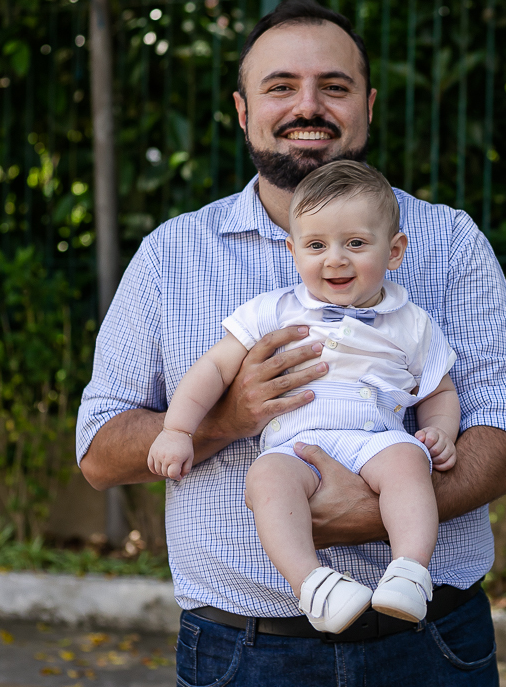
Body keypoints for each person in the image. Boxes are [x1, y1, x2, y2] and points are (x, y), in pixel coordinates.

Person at [77, 0, 506, 687]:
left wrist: (372, 512)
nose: (308, 106)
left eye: (334, 86)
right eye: (280, 87)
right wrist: (229, 416)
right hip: (243, 652)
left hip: (433, 643)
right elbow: (98, 452)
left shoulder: (448, 241)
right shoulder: (172, 254)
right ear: (242, 111)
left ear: (368, 106)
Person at [148, 161, 462, 633]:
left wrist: (440, 430)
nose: (335, 259)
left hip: (377, 439)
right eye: (317, 246)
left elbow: (439, 389)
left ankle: (409, 573)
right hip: (295, 446)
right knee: (267, 479)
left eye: (355, 243)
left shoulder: (411, 321)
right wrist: (177, 429)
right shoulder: (275, 310)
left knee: (410, 463)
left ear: (394, 251)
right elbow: (213, 368)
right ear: (293, 252)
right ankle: (314, 585)